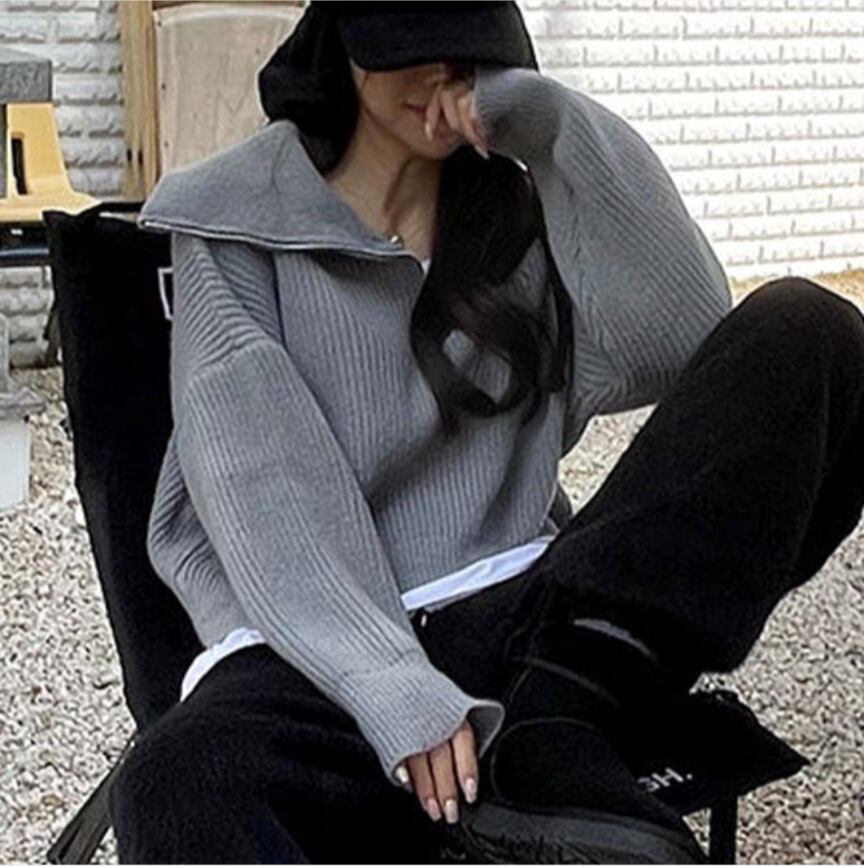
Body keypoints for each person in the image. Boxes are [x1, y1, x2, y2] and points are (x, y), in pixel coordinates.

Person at [108, 2, 864, 863]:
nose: (443, 75)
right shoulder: (232, 219)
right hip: (322, 655)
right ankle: (527, 773)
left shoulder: (514, 213)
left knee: (813, 333)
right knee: (175, 781)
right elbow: (263, 484)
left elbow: (683, 336)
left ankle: (555, 730)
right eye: (414, 48)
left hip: (531, 638)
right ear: (345, 45)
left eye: (470, 53)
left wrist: (545, 122)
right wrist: (396, 688)